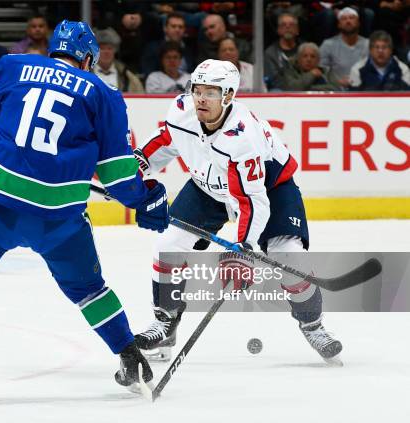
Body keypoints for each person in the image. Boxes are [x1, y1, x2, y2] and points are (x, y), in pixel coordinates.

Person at [0, 20, 170, 405]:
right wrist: (146, 200)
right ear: (88, 58)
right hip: (58, 218)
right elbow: (117, 177)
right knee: (89, 290)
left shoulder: (13, 66)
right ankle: (132, 359)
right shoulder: (104, 94)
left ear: (53, 49)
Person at [132, 59, 343, 365]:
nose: (201, 98)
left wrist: (243, 249)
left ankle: (313, 324)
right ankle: (166, 324)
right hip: (209, 187)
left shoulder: (244, 138)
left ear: (228, 95)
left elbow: (251, 202)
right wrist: (132, 171)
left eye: (211, 92)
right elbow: (166, 141)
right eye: (197, 90)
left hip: (270, 189)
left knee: (288, 256)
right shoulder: (182, 110)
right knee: (168, 246)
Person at [319, 7, 369, 89]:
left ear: (358, 23)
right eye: (344, 19)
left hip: (363, 91)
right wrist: (337, 82)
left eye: (352, 18)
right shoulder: (328, 45)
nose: (348, 21)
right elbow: (321, 71)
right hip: (336, 92)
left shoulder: (368, 44)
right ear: (339, 24)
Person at [94, 28, 144, 93]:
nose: (106, 52)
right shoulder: (85, 74)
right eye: (102, 48)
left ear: (115, 50)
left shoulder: (128, 77)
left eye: (109, 48)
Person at [264, 13, 301, 90]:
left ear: (297, 30)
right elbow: (273, 80)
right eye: (283, 25)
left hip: (302, 88)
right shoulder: (270, 53)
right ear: (278, 30)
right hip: (279, 91)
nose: (287, 27)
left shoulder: (305, 50)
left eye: (291, 25)